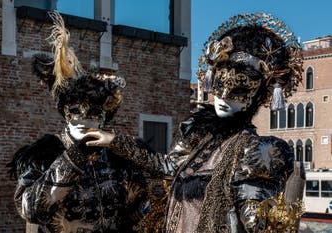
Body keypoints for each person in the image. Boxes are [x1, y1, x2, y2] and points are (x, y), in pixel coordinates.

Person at [83, 13, 304, 232]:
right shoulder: (199, 136)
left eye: (238, 90)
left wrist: (274, 222)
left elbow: (255, 215)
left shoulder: (253, 150)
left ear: (258, 96)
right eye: (219, 86)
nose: (224, 98)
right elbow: (168, 166)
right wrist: (114, 141)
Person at [7, 12, 148, 233]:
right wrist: (73, 159)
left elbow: (138, 210)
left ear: (104, 116)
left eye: (93, 112)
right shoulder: (44, 155)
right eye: (75, 110)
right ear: (65, 111)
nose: (84, 118)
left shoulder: (117, 158)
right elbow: (30, 209)